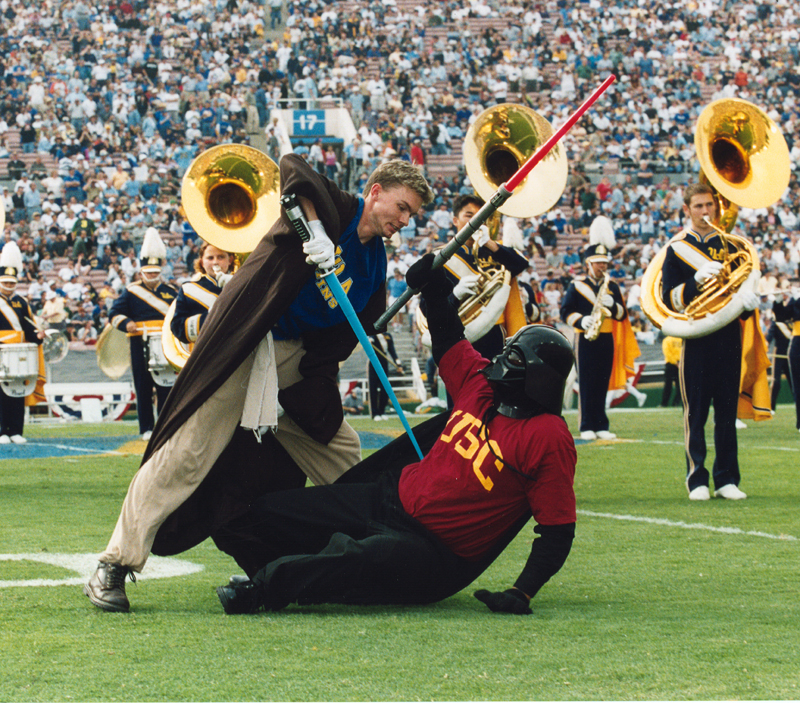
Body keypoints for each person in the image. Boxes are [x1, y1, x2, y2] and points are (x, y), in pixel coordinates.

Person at [84, 155, 434, 612]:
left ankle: (378, 556)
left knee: (341, 451)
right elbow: (292, 170)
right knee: (188, 451)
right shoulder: (334, 207)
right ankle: (115, 562)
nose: (403, 222)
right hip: (248, 342)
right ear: (377, 192)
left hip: (295, 363)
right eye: (402, 208)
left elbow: (351, 330)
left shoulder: (373, 263)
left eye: (411, 216)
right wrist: (317, 231)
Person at [212, 253, 577, 615]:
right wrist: (433, 290)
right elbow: (450, 337)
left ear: (537, 376)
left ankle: (263, 589)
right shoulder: (481, 386)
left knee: (362, 555)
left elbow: (557, 528)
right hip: (390, 498)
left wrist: (522, 591)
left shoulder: (547, 436)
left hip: (434, 549)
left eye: (512, 359)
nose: (499, 362)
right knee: (268, 513)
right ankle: (279, 569)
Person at [660, 183, 759, 500]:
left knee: (727, 413)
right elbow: (667, 299)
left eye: (709, 206)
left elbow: (740, 291)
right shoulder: (676, 250)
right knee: (696, 412)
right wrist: (694, 282)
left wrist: (748, 302)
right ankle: (697, 479)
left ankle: (727, 478)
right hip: (697, 337)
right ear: (686, 210)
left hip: (729, 335)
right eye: (699, 206)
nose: (706, 212)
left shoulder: (731, 246)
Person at [429, 194, 535, 362]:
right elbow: (429, 308)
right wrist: (455, 295)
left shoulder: (493, 252)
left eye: (481, 217)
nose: (475, 221)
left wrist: (489, 243)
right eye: (469, 216)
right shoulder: (440, 257)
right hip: (459, 337)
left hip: (494, 336)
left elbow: (520, 264)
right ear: (455, 220)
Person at [561, 243, 637, 440]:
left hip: (606, 336)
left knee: (603, 381)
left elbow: (622, 315)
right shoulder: (576, 285)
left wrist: (613, 306)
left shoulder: (612, 286)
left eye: (605, 263)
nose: (603, 267)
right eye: (598, 263)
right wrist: (580, 320)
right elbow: (565, 311)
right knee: (587, 382)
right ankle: (586, 424)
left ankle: (601, 424)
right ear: (589, 264)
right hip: (584, 337)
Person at [107, 228, 177, 441]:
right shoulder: (131, 291)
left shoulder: (171, 291)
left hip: (164, 344)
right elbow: (113, 313)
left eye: (156, 273)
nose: (152, 277)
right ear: (141, 272)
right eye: (149, 273)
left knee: (166, 386)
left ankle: (164, 427)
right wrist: (126, 323)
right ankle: (146, 427)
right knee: (143, 386)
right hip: (140, 342)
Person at [0, 242, 44, 444]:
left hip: (17, 353)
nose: (9, 286)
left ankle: (16, 429)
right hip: (1, 352)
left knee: (17, 390)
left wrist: (38, 335)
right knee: (1, 392)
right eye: (5, 282)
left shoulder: (21, 302)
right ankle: (2, 431)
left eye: (11, 282)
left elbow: (29, 328)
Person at [170, 242, 236, 345]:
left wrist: (236, 284)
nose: (215, 262)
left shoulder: (242, 284)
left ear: (230, 260)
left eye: (221, 257)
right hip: (206, 353)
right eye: (210, 258)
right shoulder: (188, 289)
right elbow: (178, 328)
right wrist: (210, 317)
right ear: (201, 263)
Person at [766, 293, 793, 413]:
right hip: (779, 353)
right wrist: (766, 343)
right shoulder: (777, 321)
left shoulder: (793, 320)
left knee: (794, 382)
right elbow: (770, 335)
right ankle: (771, 407)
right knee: (776, 381)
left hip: (791, 353)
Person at [367, 331, 401, 420]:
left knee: (385, 388)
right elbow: (369, 341)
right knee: (373, 388)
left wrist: (398, 364)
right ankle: (375, 413)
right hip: (374, 363)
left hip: (384, 363)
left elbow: (392, 351)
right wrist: (369, 341)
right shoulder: (373, 334)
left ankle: (382, 411)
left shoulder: (388, 336)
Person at [660, 335, 682, 407]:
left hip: (671, 364)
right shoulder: (681, 340)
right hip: (680, 364)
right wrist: (679, 363)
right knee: (679, 386)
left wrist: (675, 362)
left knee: (668, 385)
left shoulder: (667, 340)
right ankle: (676, 403)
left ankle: (664, 403)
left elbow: (667, 353)